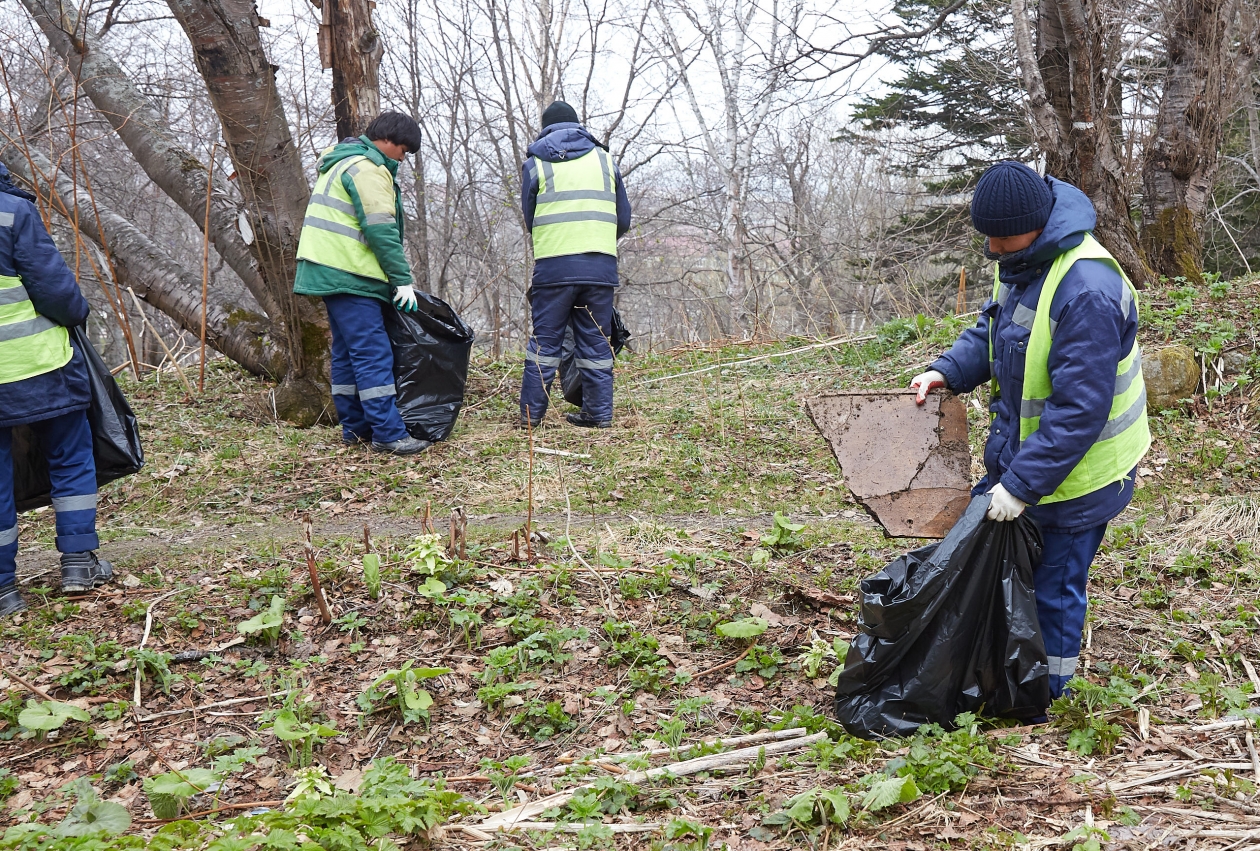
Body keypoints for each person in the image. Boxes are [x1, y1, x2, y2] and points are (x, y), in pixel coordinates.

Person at [910, 160, 1150, 698]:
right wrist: (947, 370)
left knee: (1053, 585)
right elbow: (996, 330)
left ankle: (1045, 690)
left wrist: (1020, 485)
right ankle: (1007, 664)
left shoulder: (1086, 289)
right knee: (1003, 563)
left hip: (1083, 476)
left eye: (1002, 238)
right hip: (1034, 458)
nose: (993, 249)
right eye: (988, 239)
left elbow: (1079, 412)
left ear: (1037, 224)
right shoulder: (1020, 259)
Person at [0, 162, 113, 618]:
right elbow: (55, 292)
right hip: (41, 363)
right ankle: (79, 563)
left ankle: (4, 590)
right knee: (69, 455)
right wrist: (77, 313)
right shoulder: (12, 212)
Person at [294, 111, 430, 455]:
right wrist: (401, 280)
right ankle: (388, 433)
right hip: (351, 272)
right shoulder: (368, 169)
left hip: (328, 271)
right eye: (404, 150)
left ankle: (354, 429)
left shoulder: (340, 163)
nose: (404, 157)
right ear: (389, 141)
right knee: (373, 354)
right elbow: (381, 229)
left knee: (346, 354)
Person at [518, 101, 632, 429]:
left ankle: (530, 418)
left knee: (545, 342)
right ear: (578, 125)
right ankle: (598, 414)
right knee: (595, 341)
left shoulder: (536, 163)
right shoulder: (605, 160)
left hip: (554, 268)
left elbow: (531, 218)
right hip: (599, 268)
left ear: (545, 129)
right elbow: (622, 218)